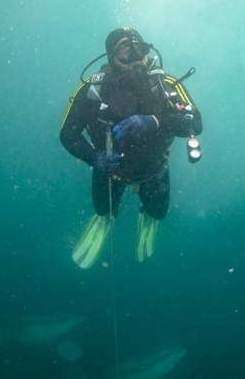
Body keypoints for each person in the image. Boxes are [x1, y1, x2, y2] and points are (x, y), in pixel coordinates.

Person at [60, 28, 203, 268]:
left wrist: (156, 121)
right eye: (125, 51)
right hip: (109, 172)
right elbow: (68, 132)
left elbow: (195, 121)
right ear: (111, 57)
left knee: (158, 213)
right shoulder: (92, 90)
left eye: (140, 49)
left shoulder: (164, 84)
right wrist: (92, 157)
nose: (136, 57)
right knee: (103, 209)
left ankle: (146, 213)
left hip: (153, 170)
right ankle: (108, 216)